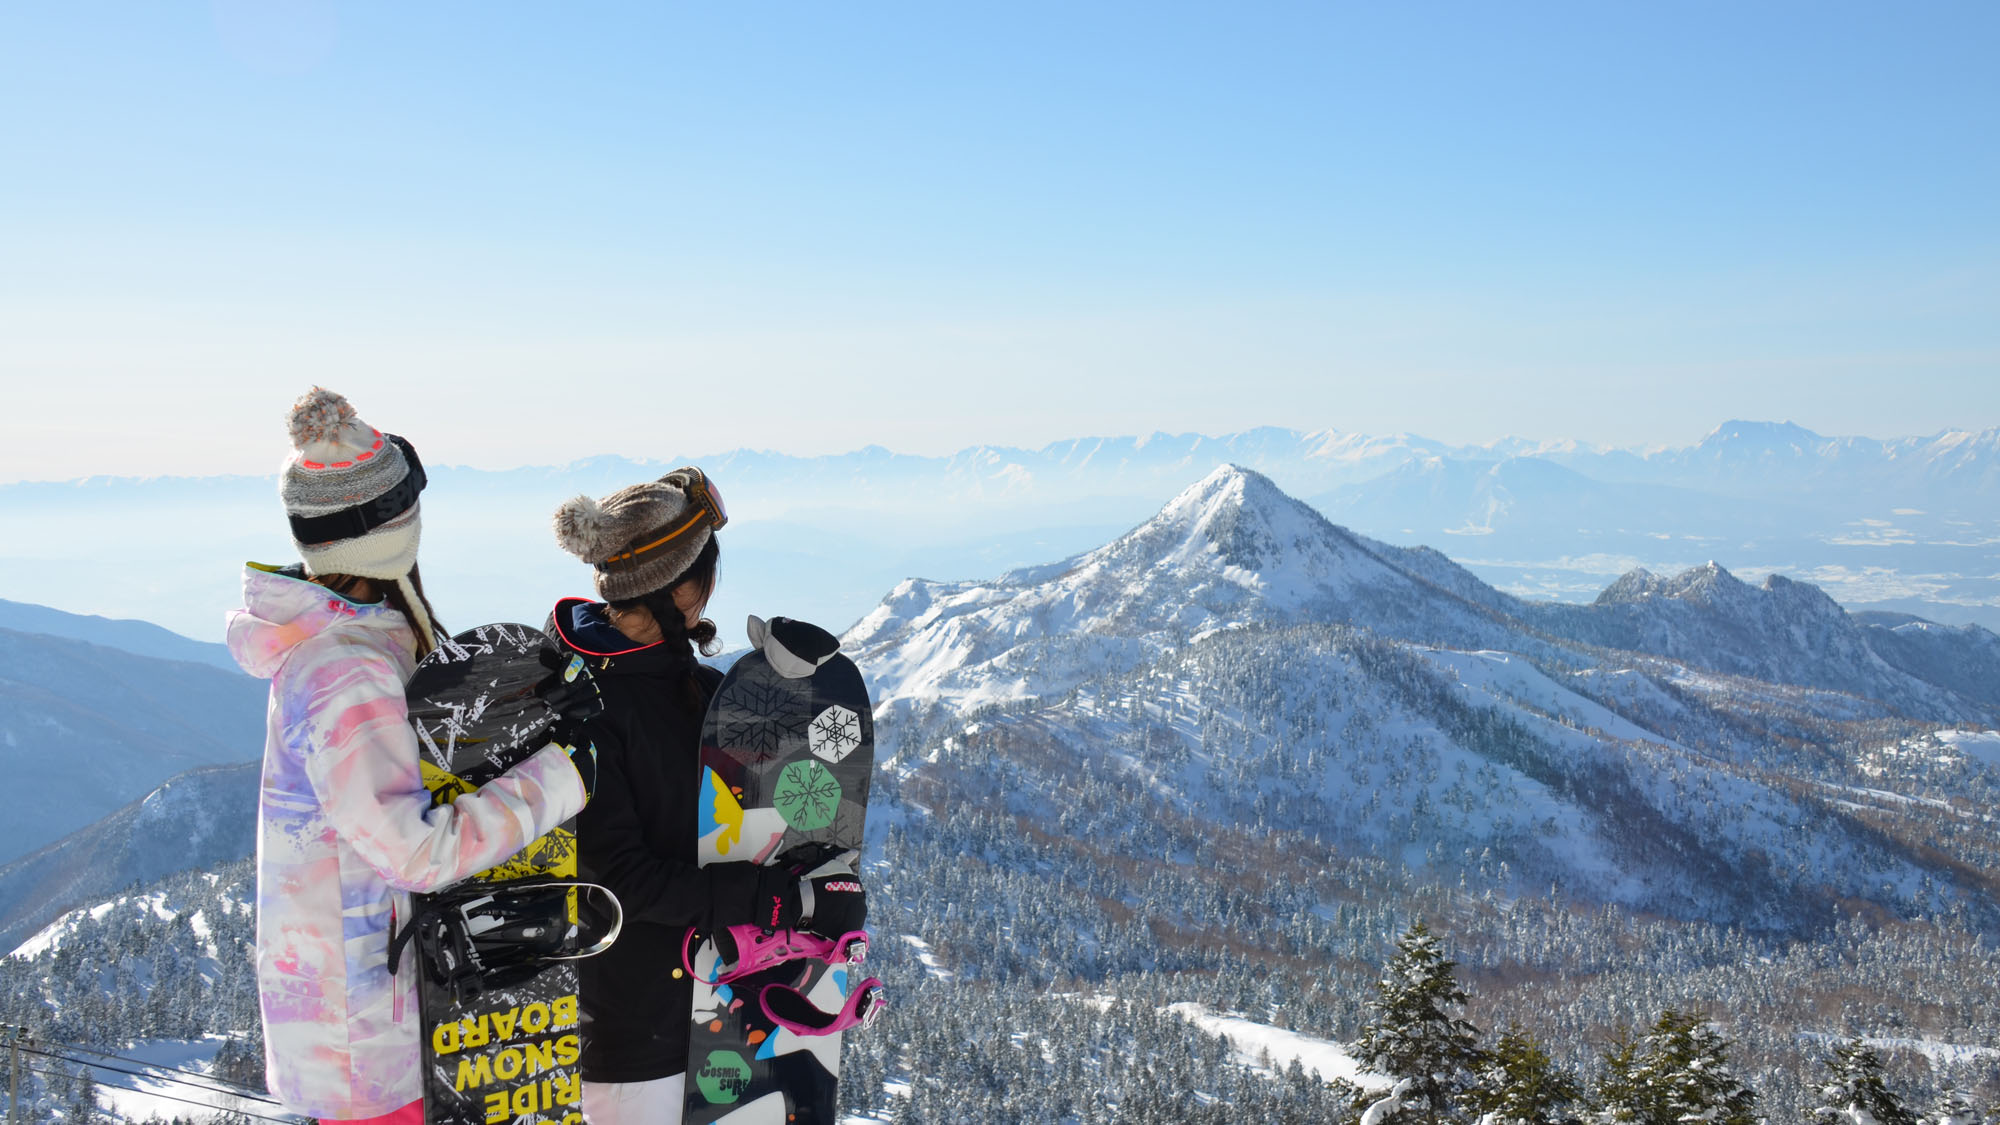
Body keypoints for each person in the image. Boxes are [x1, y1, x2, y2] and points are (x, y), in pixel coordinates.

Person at [227, 388, 598, 1125]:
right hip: (370, 1035)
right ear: (395, 530)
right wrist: (563, 776)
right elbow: (414, 851)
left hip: (368, 1010)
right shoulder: (346, 670)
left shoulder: (352, 644)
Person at [546, 468, 864, 1125]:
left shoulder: (682, 689)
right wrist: (774, 898)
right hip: (635, 1043)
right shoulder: (591, 706)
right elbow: (618, 879)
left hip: (696, 1013)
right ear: (688, 587)